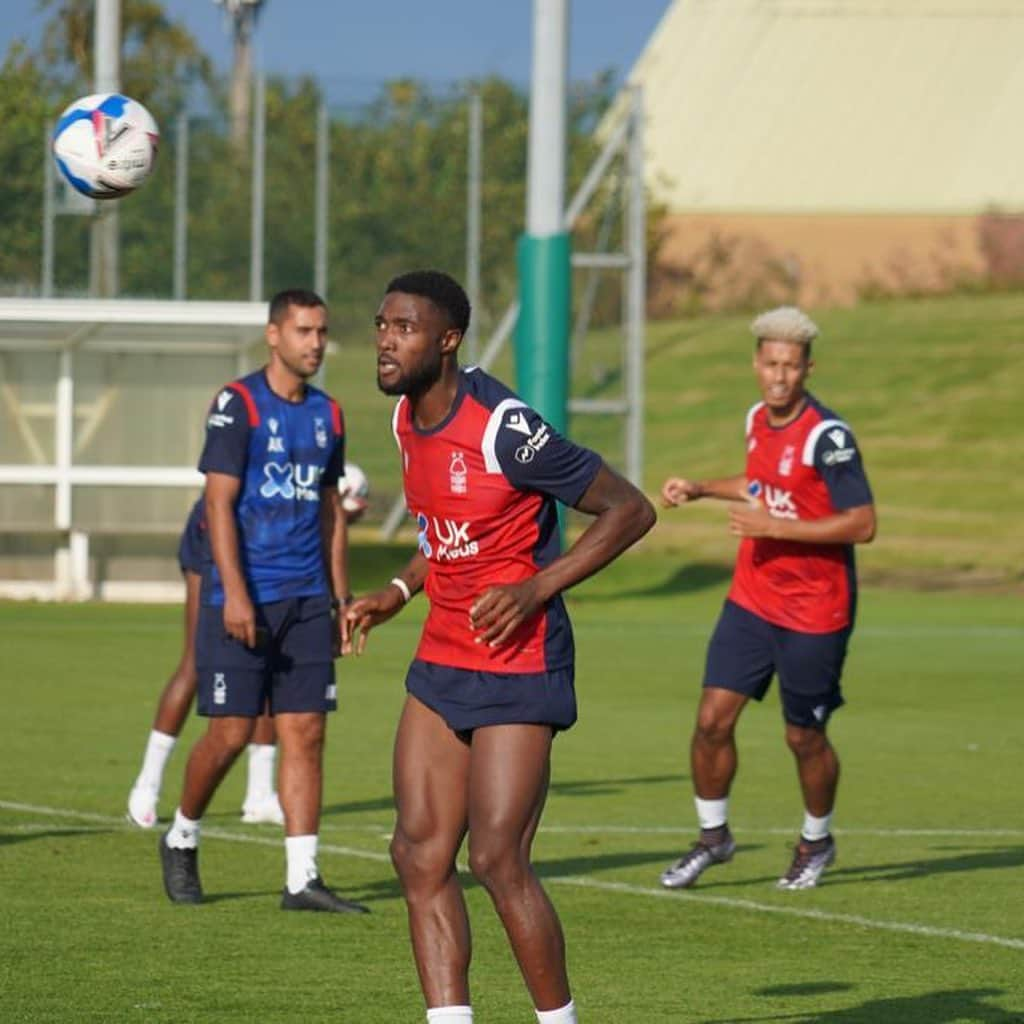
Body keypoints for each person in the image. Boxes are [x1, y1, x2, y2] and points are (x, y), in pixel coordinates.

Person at [346, 270, 655, 1024]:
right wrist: (399, 589)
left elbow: (630, 510)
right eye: (382, 325)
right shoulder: (402, 422)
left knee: (496, 858)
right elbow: (449, 535)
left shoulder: (502, 426)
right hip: (442, 658)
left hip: (520, 661)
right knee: (417, 857)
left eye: (406, 328)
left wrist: (538, 587)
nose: (387, 341)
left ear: (448, 340)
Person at [158, 288, 367, 914]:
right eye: (304, 331)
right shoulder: (237, 403)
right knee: (229, 733)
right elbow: (217, 505)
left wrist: (339, 600)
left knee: (306, 731)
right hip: (244, 598)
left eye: (322, 331)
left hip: (306, 599)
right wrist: (236, 595)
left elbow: (331, 511)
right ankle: (182, 833)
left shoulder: (329, 414)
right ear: (274, 335)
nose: (316, 343)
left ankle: (302, 877)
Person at [658, 306, 876, 892]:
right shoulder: (757, 418)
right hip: (752, 599)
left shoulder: (828, 438)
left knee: (802, 736)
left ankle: (816, 839)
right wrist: (702, 488)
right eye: (771, 364)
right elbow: (762, 484)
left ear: (808, 369)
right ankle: (713, 837)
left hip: (814, 609)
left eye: (792, 366)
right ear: (757, 364)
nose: (780, 376)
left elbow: (861, 523)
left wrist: (777, 529)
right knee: (711, 720)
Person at [126, 497, 284, 829]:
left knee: (274, 661)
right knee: (196, 661)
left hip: (275, 531)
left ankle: (260, 793)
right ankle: (147, 785)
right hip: (226, 521)